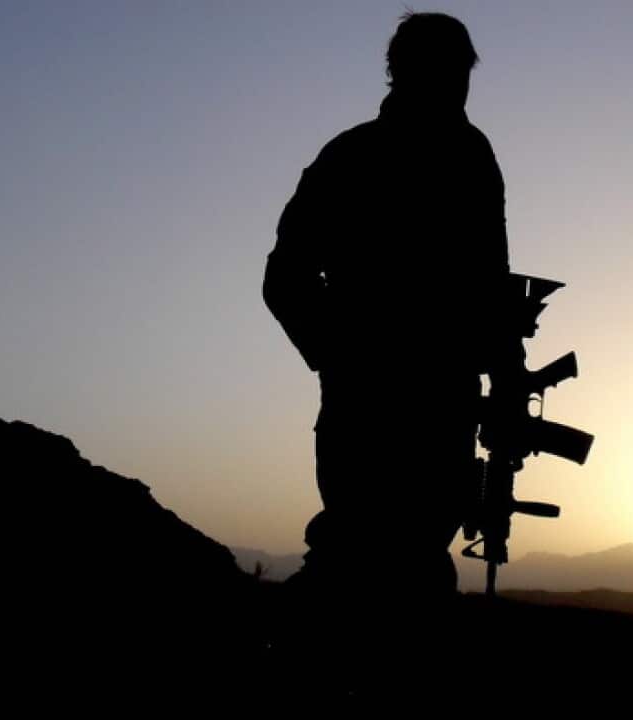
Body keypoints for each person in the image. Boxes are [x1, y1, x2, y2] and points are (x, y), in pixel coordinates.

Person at [263, 12, 514, 627]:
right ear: (406, 74)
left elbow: (492, 285)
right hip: (374, 412)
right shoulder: (358, 159)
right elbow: (284, 279)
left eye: (461, 75)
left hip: (437, 406)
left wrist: (506, 381)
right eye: (449, 74)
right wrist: (346, 358)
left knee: (411, 567)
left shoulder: (466, 155)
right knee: (365, 564)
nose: (457, 89)